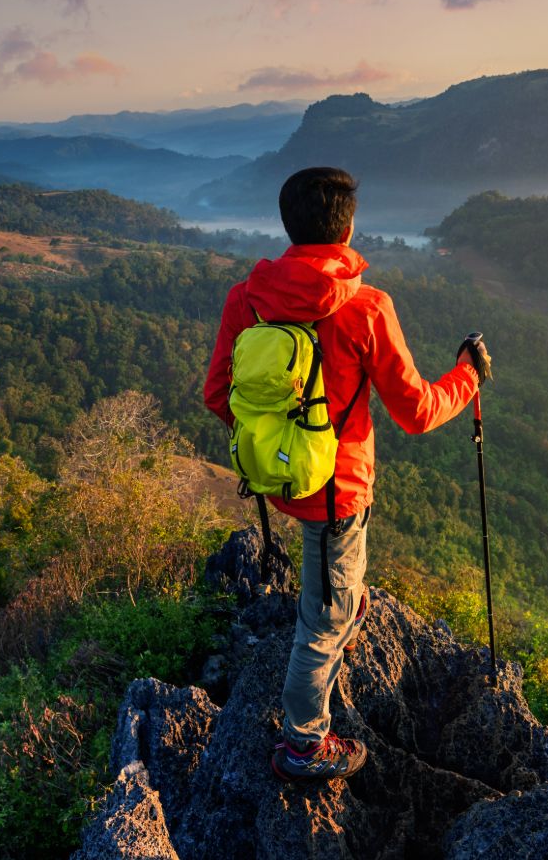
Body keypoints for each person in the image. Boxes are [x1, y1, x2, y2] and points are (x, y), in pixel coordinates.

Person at [203, 166, 492, 784]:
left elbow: (217, 394)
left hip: (282, 482)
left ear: (288, 225)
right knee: (321, 622)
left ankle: (344, 607)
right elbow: (415, 412)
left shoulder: (247, 299)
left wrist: (276, 443)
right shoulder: (367, 308)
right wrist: (467, 377)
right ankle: (304, 745)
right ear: (349, 227)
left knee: (334, 588)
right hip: (339, 491)